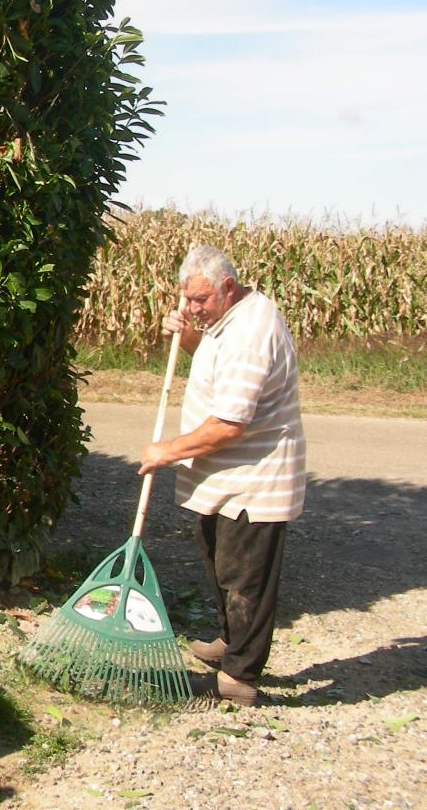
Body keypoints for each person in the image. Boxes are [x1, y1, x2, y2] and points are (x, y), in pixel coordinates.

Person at [138, 245, 306, 707]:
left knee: (245, 579)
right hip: (224, 477)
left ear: (227, 287)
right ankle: (231, 643)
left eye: (199, 301)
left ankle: (238, 678)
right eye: (187, 300)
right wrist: (189, 335)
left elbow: (231, 422)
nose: (191, 307)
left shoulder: (251, 332)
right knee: (219, 563)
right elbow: (216, 366)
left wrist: (167, 451)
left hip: (253, 481)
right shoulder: (225, 321)